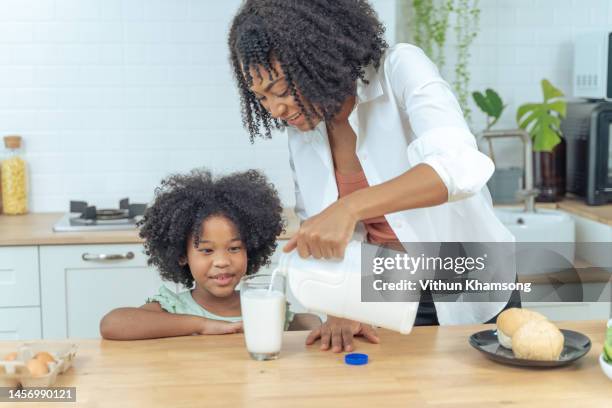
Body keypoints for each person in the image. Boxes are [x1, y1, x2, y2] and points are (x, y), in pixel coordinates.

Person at [228, 0, 517, 353]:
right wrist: (340, 304)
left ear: (318, 59)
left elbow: (460, 166)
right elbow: (325, 230)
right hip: (389, 292)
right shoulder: (304, 127)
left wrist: (349, 207)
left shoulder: (400, 69)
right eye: (261, 98)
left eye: (282, 90)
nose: (275, 109)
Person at [100, 169, 320, 340]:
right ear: (181, 255)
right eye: (206, 250)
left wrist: (325, 324)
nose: (223, 262)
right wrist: (202, 325)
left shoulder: (264, 306)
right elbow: (112, 324)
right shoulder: (173, 308)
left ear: (250, 249)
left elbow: (310, 322)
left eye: (234, 248)